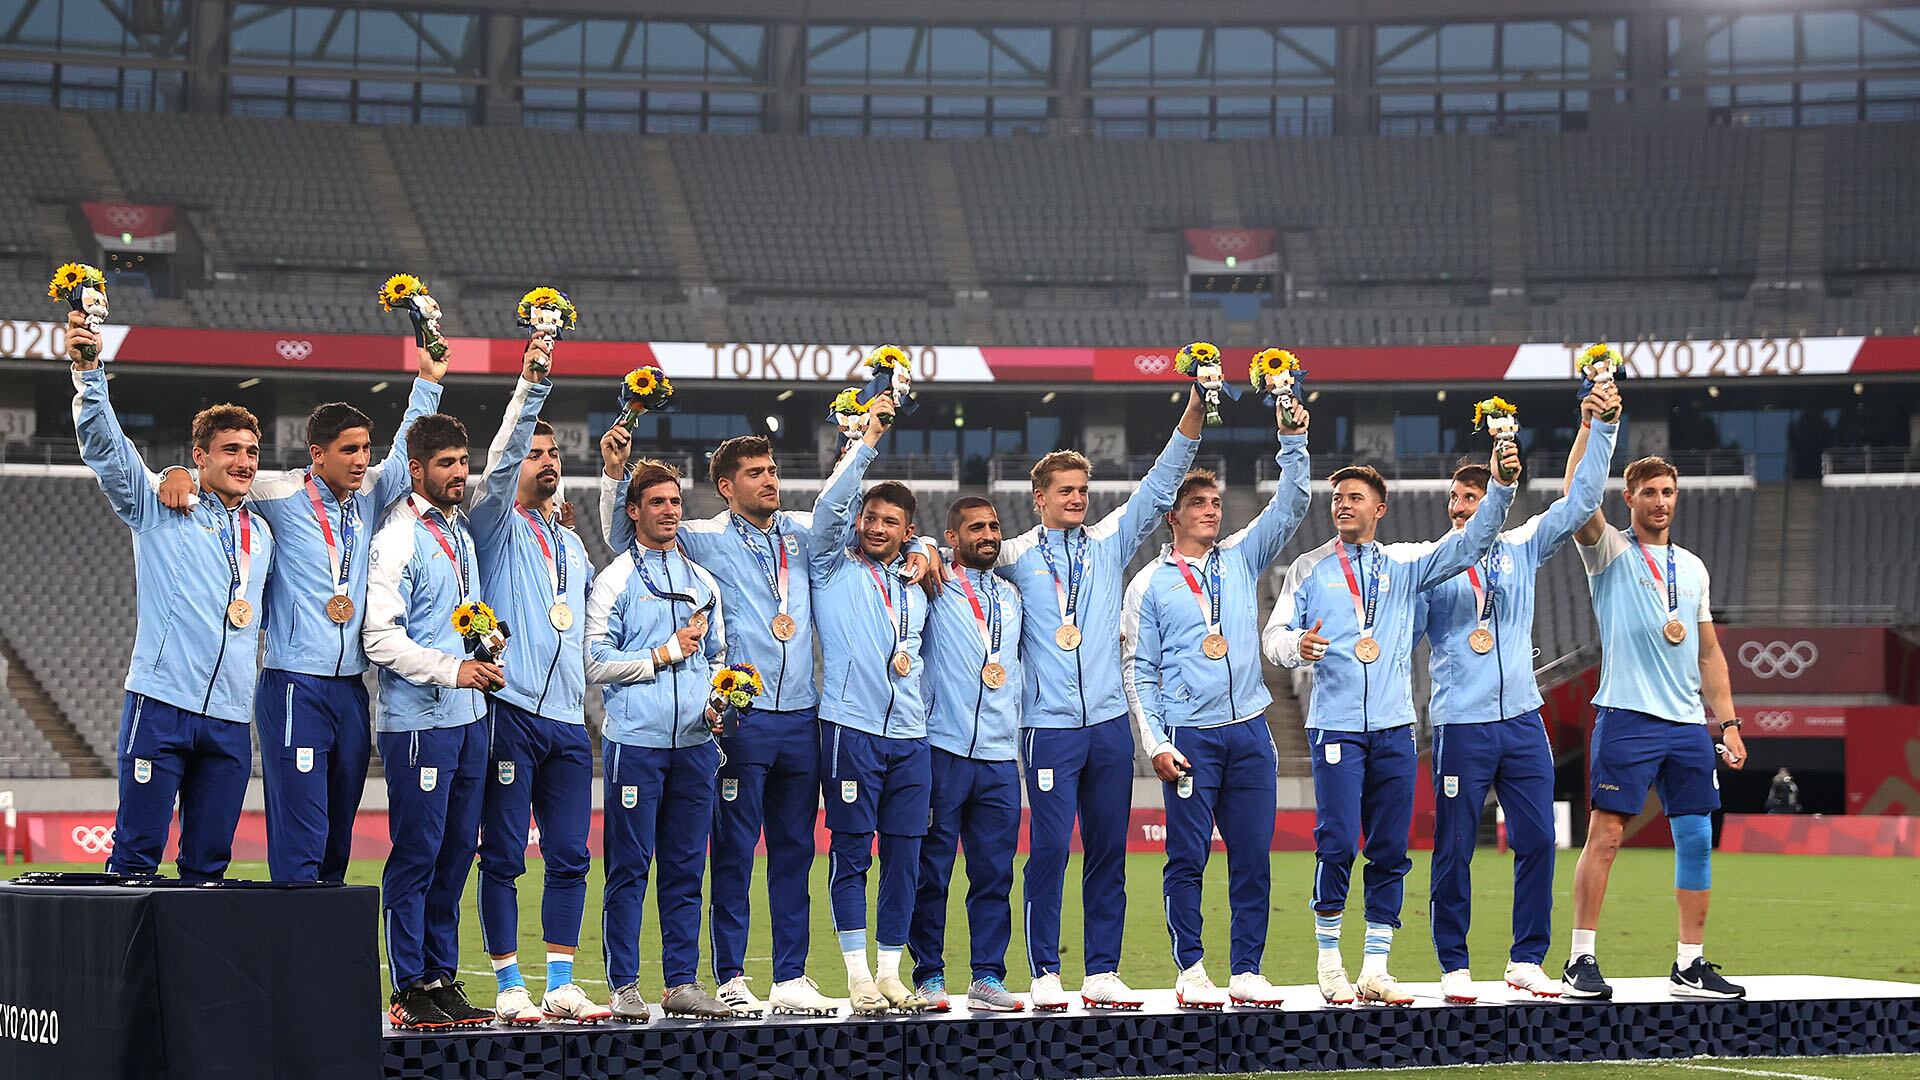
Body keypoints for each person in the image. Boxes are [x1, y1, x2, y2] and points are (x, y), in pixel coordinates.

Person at [597, 399, 933, 1017]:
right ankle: (729, 974)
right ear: (726, 488)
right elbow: (628, 537)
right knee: (732, 849)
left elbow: (860, 523)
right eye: (755, 473)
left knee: (795, 850)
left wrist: (928, 545)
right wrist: (616, 480)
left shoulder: (805, 535)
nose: (770, 478)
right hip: (740, 722)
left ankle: (790, 975)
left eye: (772, 468)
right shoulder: (702, 540)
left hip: (803, 717)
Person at [157, 350, 446, 884]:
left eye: (366, 449)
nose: (362, 460)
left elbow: (410, 435)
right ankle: (293, 950)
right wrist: (176, 473)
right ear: (318, 454)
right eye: (349, 450)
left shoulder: (368, 497)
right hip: (294, 685)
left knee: (340, 830)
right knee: (302, 830)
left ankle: (325, 949)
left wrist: (427, 381)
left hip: (352, 689)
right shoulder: (277, 494)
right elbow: (221, 482)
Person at [1262, 441, 1520, 1006]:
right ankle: (1329, 959)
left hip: (1395, 728)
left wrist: (1500, 488)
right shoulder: (1309, 567)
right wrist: (1295, 647)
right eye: (1337, 498)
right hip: (1334, 727)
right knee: (1335, 841)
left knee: (1389, 847)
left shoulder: (1406, 565)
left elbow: (1472, 540)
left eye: (1355, 498)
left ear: (1380, 509)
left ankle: (1375, 964)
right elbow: (1273, 635)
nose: (1342, 505)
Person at [995, 386, 1206, 1011]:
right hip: (1049, 728)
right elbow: (958, 557)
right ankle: (1043, 971)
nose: (1078, 499)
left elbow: (1160, 482)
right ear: (1039, 498)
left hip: (1110, 726)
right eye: (1066, 491)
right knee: (1052, 850)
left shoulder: (1110, 541)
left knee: (1109, 851)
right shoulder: (1014, 557)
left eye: (1083, 491)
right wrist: (927, 553)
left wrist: (1194, 411)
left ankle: (1102, 970)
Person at [1412, 382, 1620, 1004]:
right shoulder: (1430, 564)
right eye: (1453, 499)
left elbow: (1582, 498)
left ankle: (1527, 959)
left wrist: (1601, 426)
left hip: (1523, 721)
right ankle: (1453, 963)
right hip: (1461, 724)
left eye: (1470, 497)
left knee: (1536, 842)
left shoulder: (1523, 546)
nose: (1458, 508)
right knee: (1453, 848)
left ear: (1493, 501)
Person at [67, 311, 275, 882]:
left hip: (231, 719)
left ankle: (192, 975)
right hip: (160, 705)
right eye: (230, 450)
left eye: (252, 452)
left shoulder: (264, 534)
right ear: (201, 456)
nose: (244, 462)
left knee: (209, 866)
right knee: (135, 857)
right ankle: (125, 974)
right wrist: (90, 371)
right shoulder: (159, 507)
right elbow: (108, 451)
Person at [1123, 398, 1311, 1009]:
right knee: (1187, 859)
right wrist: (1156, 743)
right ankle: (1192, 968)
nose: (1211, 511)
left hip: (1252, 732)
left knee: (1253, 859)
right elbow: (1139, 671)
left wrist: (1292, 440)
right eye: (1198, 504)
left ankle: (1248, 969)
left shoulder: (1241, 557)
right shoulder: (1147, 585)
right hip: (1191, 739)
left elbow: (1292, 505)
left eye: (1215, 504)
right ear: (1172, 516)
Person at [1562, 454, 1748, 1001]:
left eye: (1668, 492)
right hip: (1627, 714)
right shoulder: (1608, 549)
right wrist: (1590, 423)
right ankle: (1580, 959)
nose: (1661, 501)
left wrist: (1729, 724)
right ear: (1630, 498)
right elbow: (1576, 491)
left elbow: (1710, 654)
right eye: (1650, 492)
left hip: (1688, 723)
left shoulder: (1693, 568)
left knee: (1696, 838)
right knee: (1608, 835)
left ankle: (1690, 964)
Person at [466, 342, 610, 1024]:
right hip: (509, 708)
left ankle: (559, 981)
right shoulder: (492, 524)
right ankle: (508, 983)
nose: (547, 462)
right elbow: (499, 465)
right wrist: (532, 388)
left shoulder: (571, 543)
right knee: (502, 856)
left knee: (572, 856)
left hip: (565, 719)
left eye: (554, 454)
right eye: (536, 453)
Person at [363, 407, 501, 1031]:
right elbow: (377, 638)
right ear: (415, 469)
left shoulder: (462, 533)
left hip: (469, 719)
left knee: (455, 856)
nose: (459, 475)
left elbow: (461, 616)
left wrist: (485, 649)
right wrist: (452, 669)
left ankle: (442, 978)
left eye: (463, 464)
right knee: (418, 855)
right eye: (446, 464)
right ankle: (408, 984)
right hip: (419, 722)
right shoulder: (397, 537)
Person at [587, 458, 734, 1022]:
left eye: (675, 502)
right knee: (628, 868)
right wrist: (662, 655)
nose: (670, 511)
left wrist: (721, 701)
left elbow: (719, 659)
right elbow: (594, 662)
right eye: (657, 503)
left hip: (696, 747)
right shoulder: (615, 579)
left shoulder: (704, 583)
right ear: (634, 510)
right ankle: (625, 985)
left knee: (684, 869)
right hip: (637, 744)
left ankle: (680, 984)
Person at [908, 497, 1025, 1013]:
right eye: (976, 527)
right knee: (932, 869)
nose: (989, 535)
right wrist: (922, 545)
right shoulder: (933, 586)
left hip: (1001, 757)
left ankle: (987, 976)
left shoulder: (1012, 596)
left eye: (994, 527)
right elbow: (901, 549)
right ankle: (928, 974)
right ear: (953, 538)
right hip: (944, 749)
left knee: (995, 873)